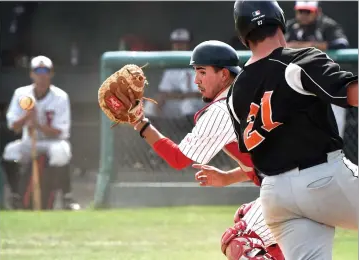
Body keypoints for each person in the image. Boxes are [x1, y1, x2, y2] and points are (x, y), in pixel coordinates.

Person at [120, 40, 284, 260]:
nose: (196, 80)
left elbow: (178, 159)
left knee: (238, 242)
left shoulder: (222, 108)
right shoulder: (256, 94)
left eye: (202, 72)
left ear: (224, 75)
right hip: (310, 177)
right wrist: (228, 178)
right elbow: (268, 161)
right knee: (249, 221)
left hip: (289, 190)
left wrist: (141, 123)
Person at [229, 1, 358, 259]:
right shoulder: (298, 61)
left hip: (276, 196)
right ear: (280, 20)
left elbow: (247, 151)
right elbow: (352, 94)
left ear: (243, 35)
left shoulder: (235, 92)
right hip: (325, 179)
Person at [2, 55, 80, 210]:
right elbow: (14, 126)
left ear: (51, 74)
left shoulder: (60, 96)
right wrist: (27, 116)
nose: (42, 75)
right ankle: (16, 195)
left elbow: (61, 132)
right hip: (30, 140)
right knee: (10, 151)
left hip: (53, 141)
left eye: (45, 71)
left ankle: (67, 197)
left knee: (62, 152)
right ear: (32, 74)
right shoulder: (21, 94)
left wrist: (37, 124)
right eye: (38, 71)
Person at [286, 1, 350, 138]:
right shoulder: (291, 26)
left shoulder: (327, 25)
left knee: (334, 128)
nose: (303, 15)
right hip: (300, 84)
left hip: (328, 83)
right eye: (300, 11)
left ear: (317, 11)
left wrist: (310, 45)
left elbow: (342, 43)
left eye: (307, 11)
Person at [144, 28, 203, 119]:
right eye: (176, 43)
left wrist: (172, 96)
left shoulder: (200, 63)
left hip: (199, 104)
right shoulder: (171, 67)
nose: (178, 46)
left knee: (188, 104)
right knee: (150, 105)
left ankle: (191, 132)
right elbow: (163, 92)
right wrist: (160, 99)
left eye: (182, 43)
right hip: (178, 102)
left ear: (189, 45)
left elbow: (199, 94)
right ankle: (155, 132)